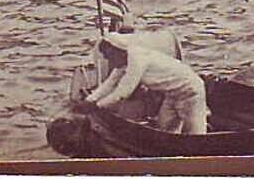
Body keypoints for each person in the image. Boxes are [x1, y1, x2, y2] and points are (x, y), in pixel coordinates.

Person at [76, 34, 208, 135]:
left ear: (117, 50)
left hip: (190, 91)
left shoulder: (137, 59)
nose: (107, 59)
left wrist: (97, 106)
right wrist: (89, 100)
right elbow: (109, 84)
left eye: (108, 55)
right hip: (172, 95)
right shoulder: (123, 60)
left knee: (196, 136)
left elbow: (123, 92)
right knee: (164, 130)